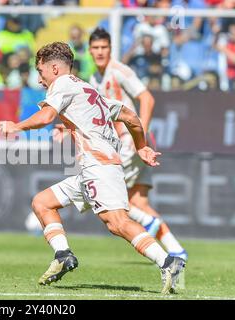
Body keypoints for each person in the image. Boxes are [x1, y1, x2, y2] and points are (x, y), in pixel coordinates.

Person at [0, 42, 186, 294]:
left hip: (100, 166)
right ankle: (63, 255)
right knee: (42, 202)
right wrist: (141, 146)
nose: (40, 78)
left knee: (117, 222)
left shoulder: (62, 84)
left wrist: (15, 126)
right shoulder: (88, 88)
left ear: (55, 68)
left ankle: (168, 261)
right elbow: (130, 116)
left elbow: (45, 117)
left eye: (41, 71)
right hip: (92, 169)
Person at [87, 28, 188, 260]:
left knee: (105, 191)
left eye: (104, 47)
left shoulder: (120, 71)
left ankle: (149, 223)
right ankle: (176, 251)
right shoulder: (94, 78)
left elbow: (146, 97)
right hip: (127, 143)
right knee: (138, 201)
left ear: (110, 49)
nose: (100, 52)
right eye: (96, 48)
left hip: (129, 142)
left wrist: (139, 134)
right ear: (90, 50)